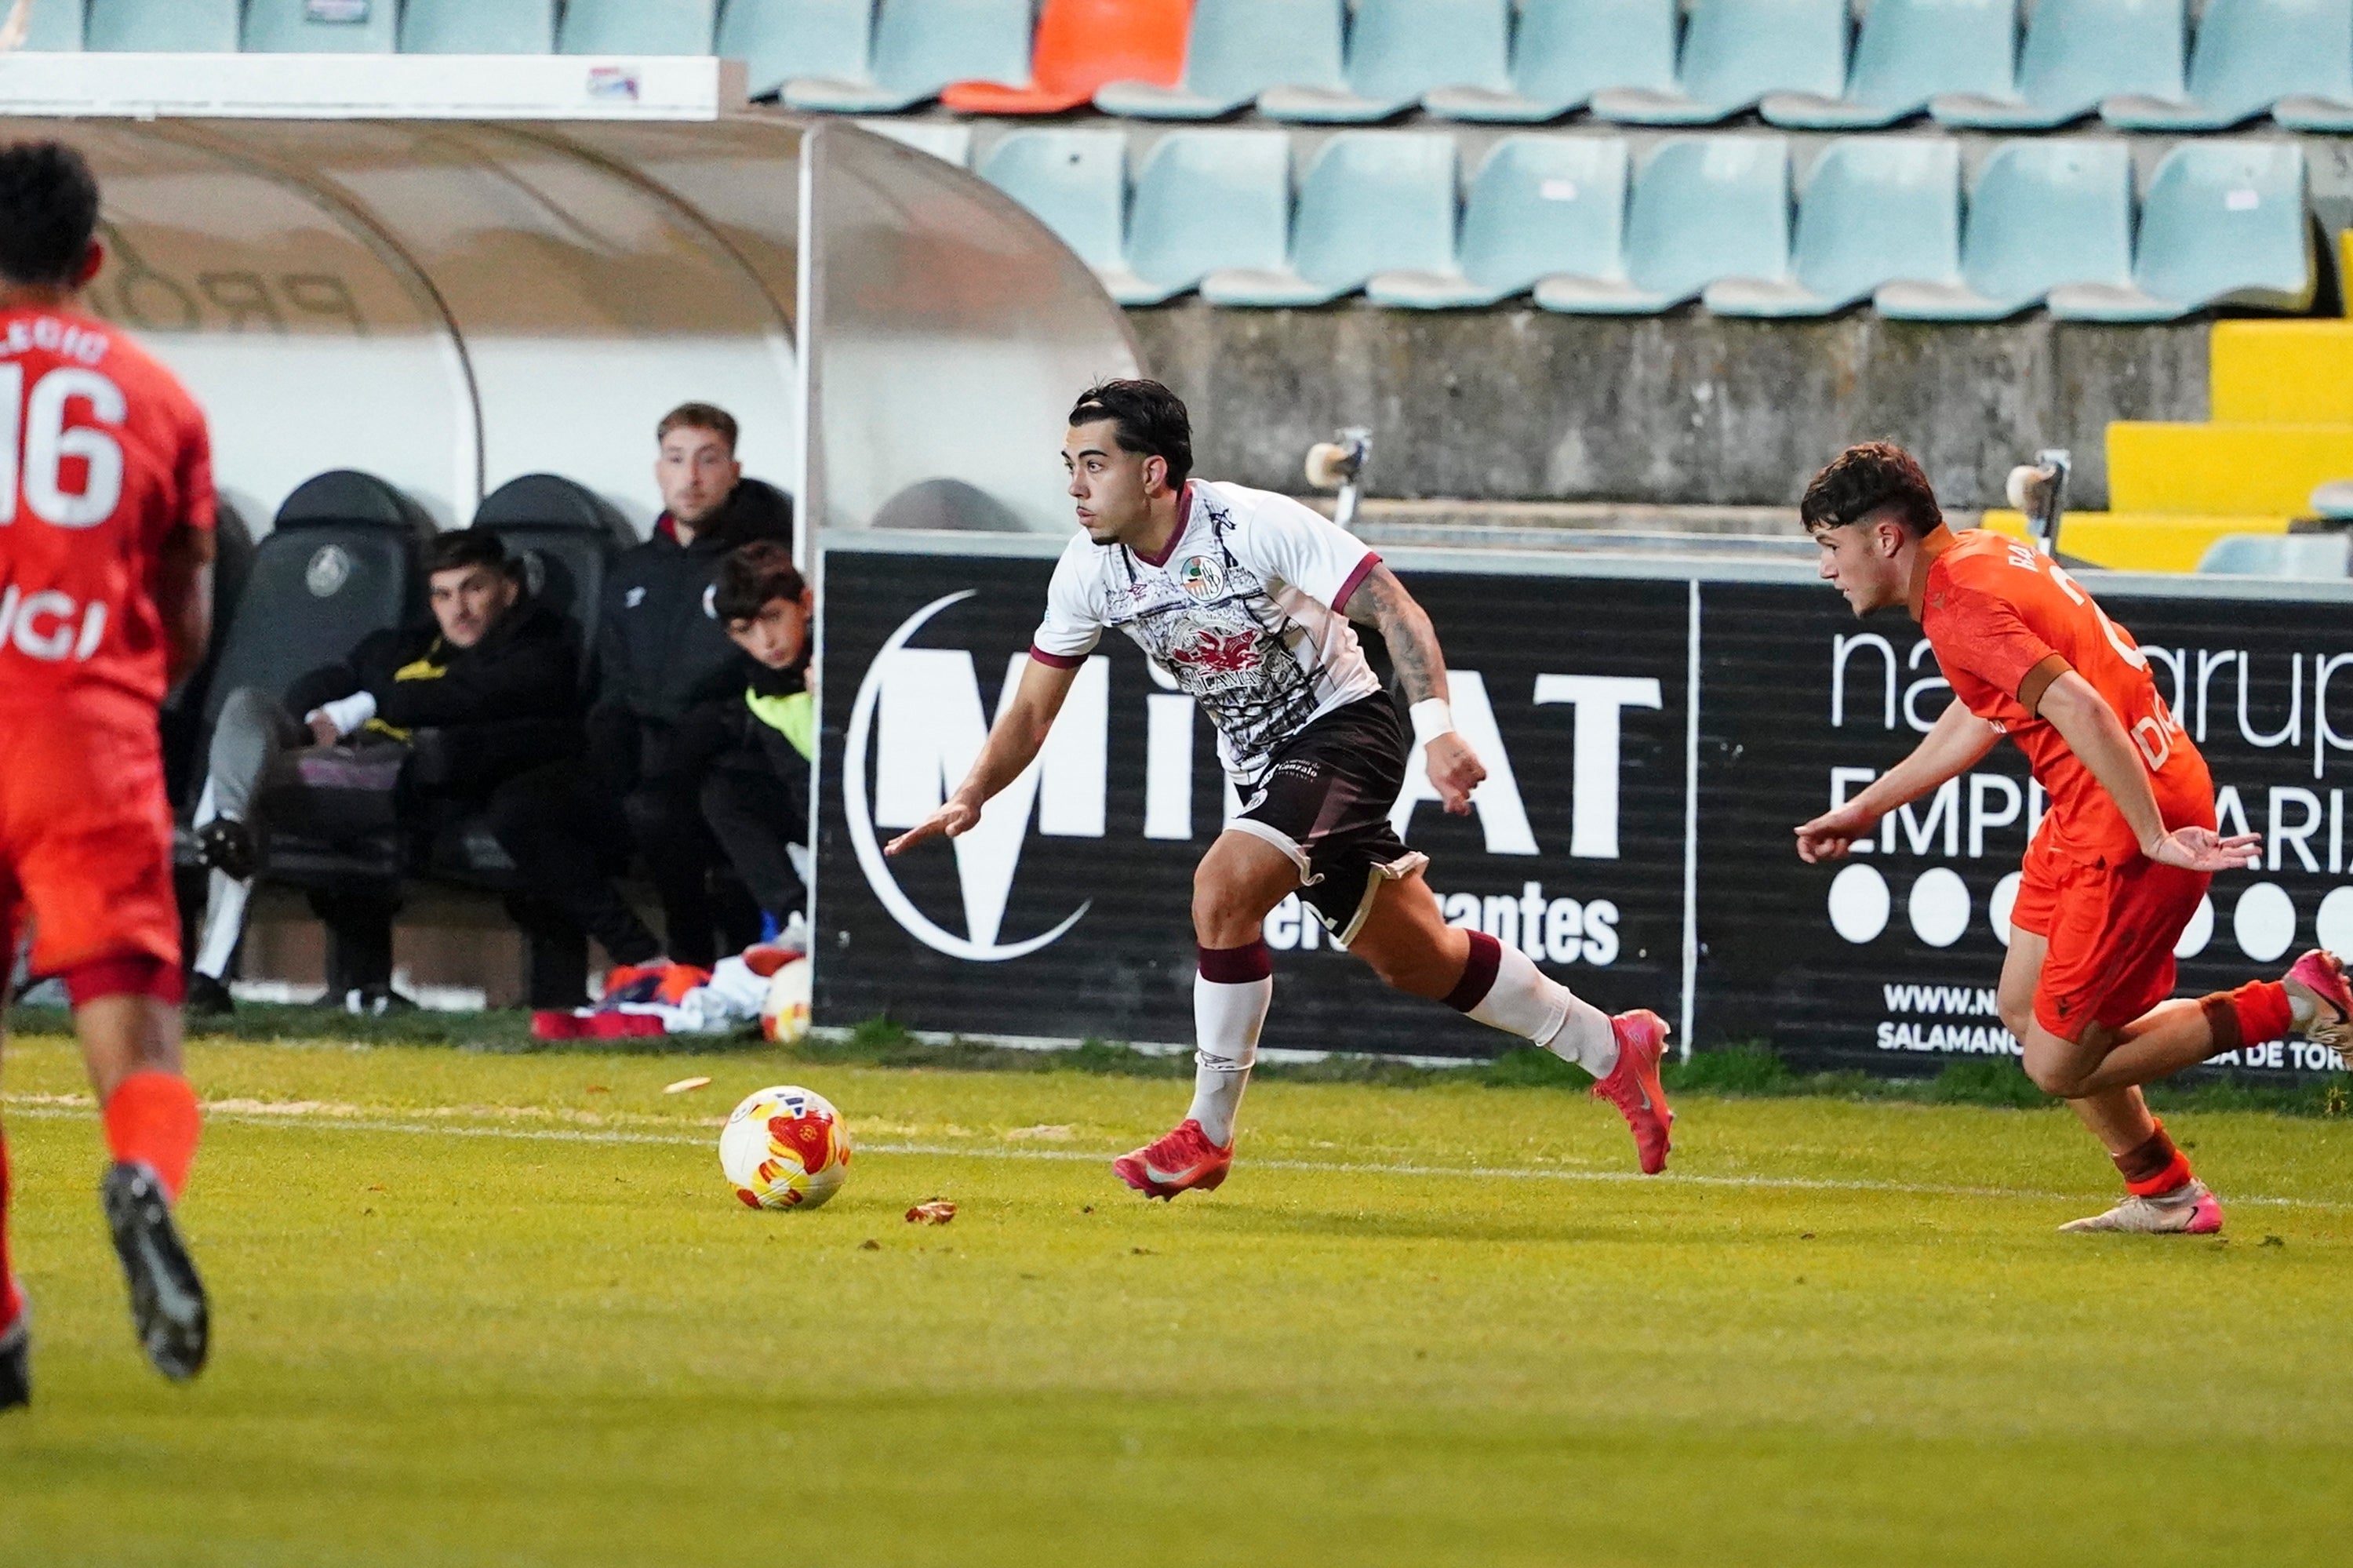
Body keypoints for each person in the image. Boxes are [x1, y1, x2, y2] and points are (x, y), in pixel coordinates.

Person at [887, 380, 1675, 1200]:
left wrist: (1439, 728)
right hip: (1263, 766)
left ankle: (1207, 1133)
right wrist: (973, 792)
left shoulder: (1253, 525)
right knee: (1416, 958)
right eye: (1070, 465)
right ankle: (1613, 1045)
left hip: (1349, 730)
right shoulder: (1091, 568)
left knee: (1223, 889)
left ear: (1154, 472)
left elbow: (1395, 608)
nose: (1076, 486)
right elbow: (1032, 707)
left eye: (1094, 464)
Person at [1793, 442, 2353, 1235]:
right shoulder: (1976, 561)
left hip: (2125, 815)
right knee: (2022, 1007)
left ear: (1885, 538)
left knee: (2055, 1063)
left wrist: (2153, 836)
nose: (1825, 569)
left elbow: (2084, 710)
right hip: (2093, 805)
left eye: (1830, 546)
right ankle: (2167, 1194)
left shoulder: (1961, 603)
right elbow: (1988, 705)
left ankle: (2295, 1003)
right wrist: (1870, 806)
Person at [0, 140, 216, 1406]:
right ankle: (140, 1173)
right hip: (84, 730)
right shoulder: (156, 396)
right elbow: (184, 621)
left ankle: (5, 1323)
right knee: (136, 1033)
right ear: (91, 257)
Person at [185, 530, 582, 1015]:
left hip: (397, 771)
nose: (458, 608)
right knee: (245, 706)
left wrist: (364, 708)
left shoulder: (526, 652)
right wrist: (313, 717)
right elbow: (334, 677)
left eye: (473, 589)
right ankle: (226, 819)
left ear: (508, 590)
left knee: (249, 792)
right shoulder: (403, 647)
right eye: (443, 594)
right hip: (322, 764)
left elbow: (463, 698)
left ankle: (212, 947)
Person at [704, 540, 815, 950]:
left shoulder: (847, 657)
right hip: (816, 809)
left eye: (773, 617)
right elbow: (797, 780)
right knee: (724, 794)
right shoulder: (760, 694)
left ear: (806, 603)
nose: (767, 640)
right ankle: (798, 915)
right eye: (746, 630)